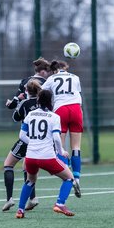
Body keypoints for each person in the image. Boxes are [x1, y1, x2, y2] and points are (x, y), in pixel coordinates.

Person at [15, 89, 75, 219]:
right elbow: (57, 138)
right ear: (51, 101)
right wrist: (61, 151)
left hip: (31, 156)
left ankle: (20, 210)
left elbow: (22, 135)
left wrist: (33, 143)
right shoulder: (54, 117)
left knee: (30, 181)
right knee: (69, 178)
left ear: (38, 100)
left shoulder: (30, 114)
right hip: (47, 157)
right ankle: (60, 203)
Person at [41, 60, 83, 198]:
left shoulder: (51, 78)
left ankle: (67, 177)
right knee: (76, 146)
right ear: (65, 68)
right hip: (76, 109)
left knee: (61, 147)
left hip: (61, 110)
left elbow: (43, 93)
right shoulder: (75, 77)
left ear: (54, 70)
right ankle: (77, 178)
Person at [2, 79, 43, 212]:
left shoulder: (25, 103)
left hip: (26, 139)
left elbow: (15, 118)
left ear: (26, 91)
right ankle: (33, 198)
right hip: (41, 140)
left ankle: (9, 199)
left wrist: (18, 101)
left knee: (8, 164)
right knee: (27, 167)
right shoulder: (44, 103)